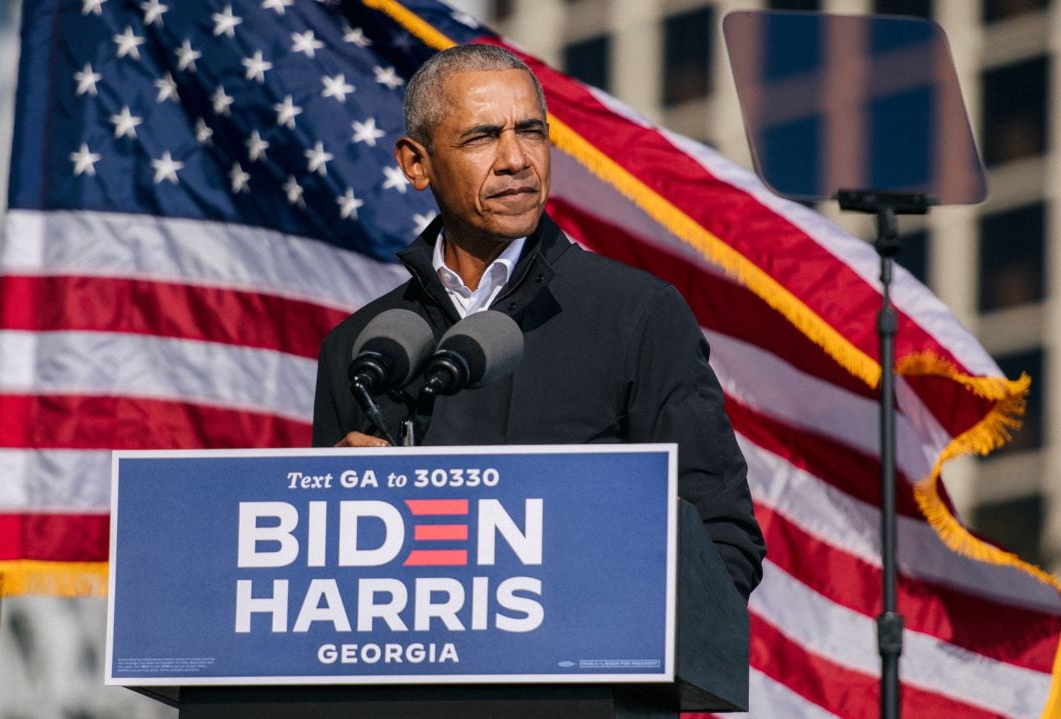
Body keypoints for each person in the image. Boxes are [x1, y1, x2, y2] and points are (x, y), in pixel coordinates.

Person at [312, 44, 765, 599]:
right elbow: (330, 576)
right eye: (482, 137)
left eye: (531, 131)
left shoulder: (637, 312)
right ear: (416, 163)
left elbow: (722, 535)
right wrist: (326, 513)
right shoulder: (359, 349)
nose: (516, 159)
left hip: (586, 679)